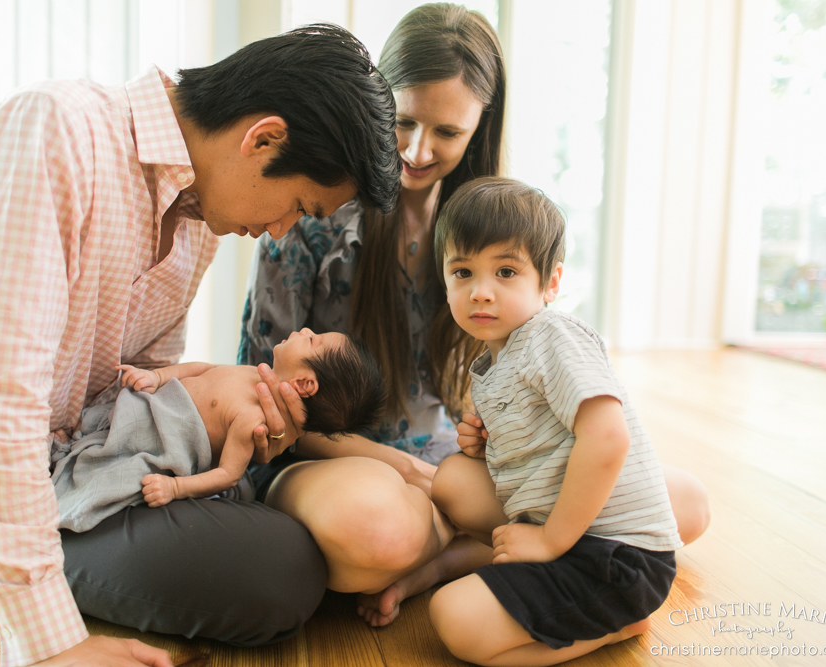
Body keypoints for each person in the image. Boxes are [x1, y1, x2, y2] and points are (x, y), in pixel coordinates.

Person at [0, 24, 399, 667]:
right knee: (283, 572)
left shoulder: (196, 228)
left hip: (98, 472)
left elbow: (141, 389)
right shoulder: (55, 130)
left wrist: (227, 424)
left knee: (306, 542)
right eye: (299, 207)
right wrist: (50, 644)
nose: (280, 233)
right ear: (264, 138)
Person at [239, 1, 709, 627]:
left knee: (683, 502)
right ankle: (462, 547)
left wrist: (487, 446)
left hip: (446, 471)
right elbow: (267, 406)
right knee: (377, 528)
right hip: (328, 460)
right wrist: (402, 468)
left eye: (447, 133)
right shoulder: (309, 214)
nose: (416, 149)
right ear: (378, 100)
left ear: (480, 127)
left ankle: (445, 553)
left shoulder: (487, 237)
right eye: (403, 121)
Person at [428, 177, 681, 665]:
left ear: (551, 283)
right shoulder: (491, 362)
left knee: (455, 618)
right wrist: (489, 446)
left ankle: (617, 623)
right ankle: (570, 596)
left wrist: (549, 540)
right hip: (575, 536)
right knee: (455, 477)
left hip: (619, 557)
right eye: (463, 272)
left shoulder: (552, 336)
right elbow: (540, 447)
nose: (481, 292)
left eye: (505, 271)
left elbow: (607, 437)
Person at [52, 329, 385, 532]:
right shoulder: (257, 374)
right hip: (152, 407)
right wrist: (158, 377)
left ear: (304, 383)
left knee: (106, 475)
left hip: (162, 437)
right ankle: (78, 445)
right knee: (99, 431)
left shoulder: (253, 419)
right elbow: (206, 369)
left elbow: (227, 473)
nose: (305, 330)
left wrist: (175, 487)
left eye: (312, 340)